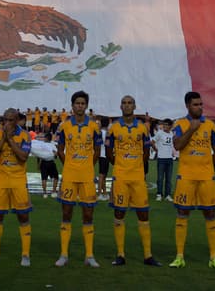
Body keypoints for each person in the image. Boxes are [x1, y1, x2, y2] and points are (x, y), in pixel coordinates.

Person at [170, 91, 215, 269]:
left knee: (210, 214)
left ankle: (213, 258)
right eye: (195, 105)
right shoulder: (180, 124)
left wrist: (209, 166)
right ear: (187, 106)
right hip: (186, 176)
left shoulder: (210, 125)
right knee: (182, 214)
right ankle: (179, 256)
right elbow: (177, 145)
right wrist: (191, 129)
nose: (199, 107)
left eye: (201, 104)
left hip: (206, 177)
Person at [107, 95, 159, 266]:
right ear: (120, 106)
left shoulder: (143, 128)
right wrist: (120, 165)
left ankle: (148, 255)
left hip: (137, 177)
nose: (127, 105)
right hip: (121, 176)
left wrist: (137, 166)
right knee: (119, 213)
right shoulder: (113, 128)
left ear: (134, 106)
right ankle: (120, 254)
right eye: (124, 103)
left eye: (130, 103)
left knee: (143, 213)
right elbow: (108, 153)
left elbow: (146, 151)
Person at [55, 90, 103, 267]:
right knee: (66, 213)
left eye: (83, 103)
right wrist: (68, 164)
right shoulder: (64, 126)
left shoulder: (94, 126)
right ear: (72, 105)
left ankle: (89, 256)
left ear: (86, 106)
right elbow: (60, 149)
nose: (80, 106)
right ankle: (64, 255)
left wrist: (88, 165)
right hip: (69, 175)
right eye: (77, 103)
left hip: (87, 177)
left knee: (88, 214)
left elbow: (97, 151)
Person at [0, 106, 33, 267]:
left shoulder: (25, 135)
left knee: (23, 216)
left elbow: (23, 157)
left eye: (10, 120)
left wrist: (10, 140)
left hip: (18, 181)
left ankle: (25, 255)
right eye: (4, 120)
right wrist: (4, 139)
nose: (6, 123)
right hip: (1, 182)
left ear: (17, 120)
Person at [152, 118, 174, 202]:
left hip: (169, 159)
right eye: (164, 124)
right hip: (161, 158)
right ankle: (159, 194)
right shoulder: (159, 133)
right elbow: (152, 142)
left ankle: (167, 195)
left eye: (166, 125)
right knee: (160, 178)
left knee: (169, 179)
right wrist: (156, 150)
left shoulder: (171, 133)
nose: (164, 126)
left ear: (170, 126)